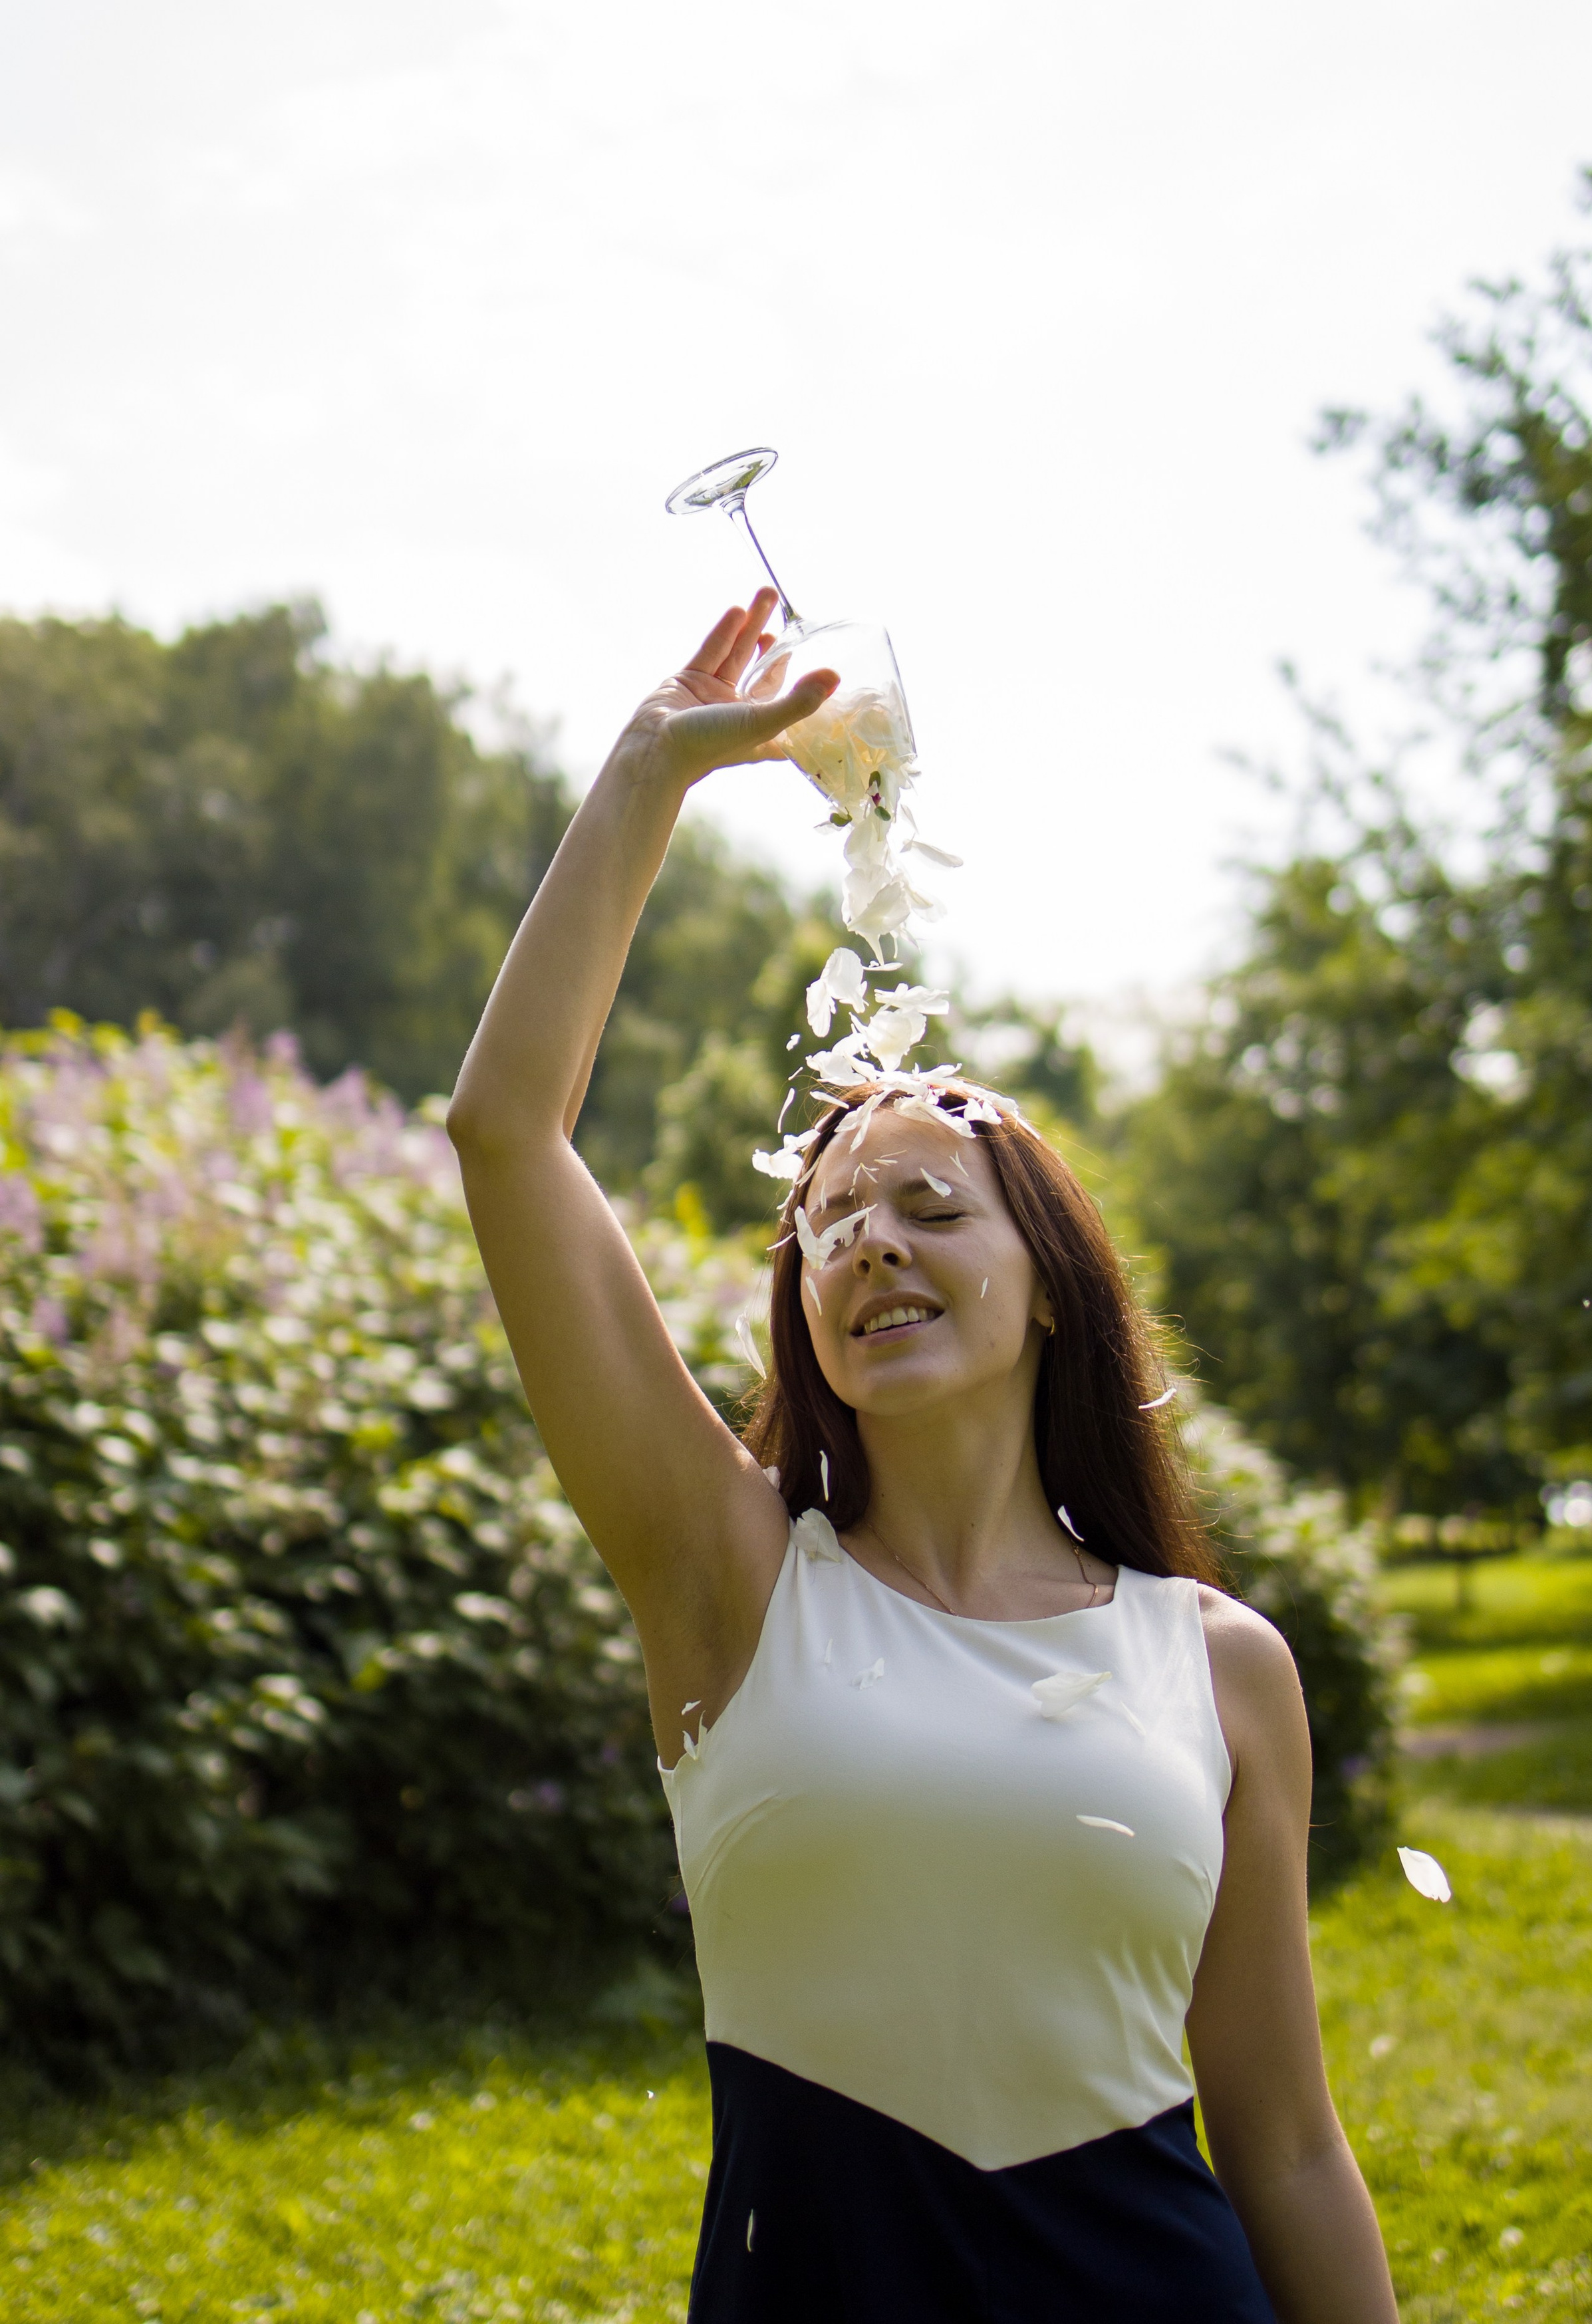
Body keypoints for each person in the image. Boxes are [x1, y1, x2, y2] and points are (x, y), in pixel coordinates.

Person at [447, 588, 1400, 2324]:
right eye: (829, 1223)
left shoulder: (1223, 1668)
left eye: (930, 1206)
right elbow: (506, 1134)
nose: (869, 1239)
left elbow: (1288, 2150)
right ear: (802, 1309)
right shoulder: (726, 1579)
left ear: (1050, 1290)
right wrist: (651, 770)